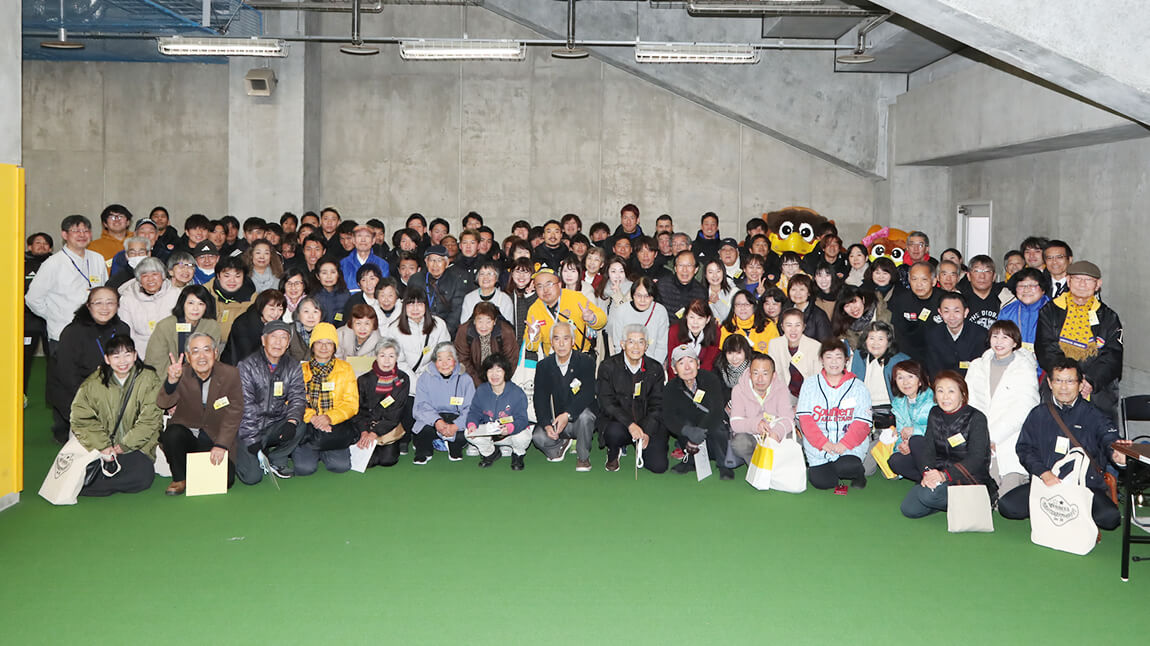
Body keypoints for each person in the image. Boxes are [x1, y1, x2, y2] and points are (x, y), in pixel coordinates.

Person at [997, 358, 1131, 530]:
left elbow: (1109, 438)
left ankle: (1058, 513)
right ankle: (1061, 514)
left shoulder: (1095, 415)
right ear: (1050, 383)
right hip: (1047, 483)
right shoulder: (1039, 414)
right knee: (1008, 506)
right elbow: (1024, 449)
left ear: (1081, 384)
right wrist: (1043, 473)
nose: (1063, 387)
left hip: (1084, 487)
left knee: (1110, 518)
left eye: (1070, 381)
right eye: (1058, 381)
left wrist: (1118, 456)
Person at [69, 334, 161, 497]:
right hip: (102, 447)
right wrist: (103, 446)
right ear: (107, 359)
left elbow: (150, 420)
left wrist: (125, 446)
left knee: (144, 476)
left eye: (127, 354)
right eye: (116, 356)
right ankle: (102, 481)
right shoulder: (93, 383)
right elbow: (81, 418)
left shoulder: (149, 379)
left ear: (135, 355)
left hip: (136, 446)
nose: (122, 361)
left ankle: (94, 484)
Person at [899, 370, 995, 519]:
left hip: (969, 478)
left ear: (963, 394)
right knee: (909, 509)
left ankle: (978, 503)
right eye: (940, 391)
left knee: (927, 496)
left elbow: (976, 459)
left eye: (951, 391)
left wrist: (945, 475)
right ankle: (948, 502)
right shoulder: (935, 413)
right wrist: (928, 473)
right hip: (941, 473)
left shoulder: (976, 418)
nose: (945, 397)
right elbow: (928, 448)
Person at [157, 332, 243, 494]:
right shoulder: (180, 373)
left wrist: (222, 444)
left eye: (206, 350)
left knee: (225, 480)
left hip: (215, 437)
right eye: (195, 351)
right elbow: (163, 403)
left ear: (215, 353)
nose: (201, 356)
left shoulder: (230, 374)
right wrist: (171, 382)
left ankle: (195, 470)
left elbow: (235, 412)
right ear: (188, 356)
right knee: (172, 433)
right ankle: (179, 478)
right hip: (188, 434)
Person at [1035, 261, 1123, 413]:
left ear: (1098, 284)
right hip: (1059, 386)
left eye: (1088, 280)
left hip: (1096, 391)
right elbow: (1046, 348)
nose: (1082, 284)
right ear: (1068, 281)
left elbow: (1113, 355)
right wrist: (1070, 380)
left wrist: (1089, 381)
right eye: (1077, 278)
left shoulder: (1109, 317)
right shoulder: (1049, 311)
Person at [47, 287, 131, 443]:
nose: (104, 308)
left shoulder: (122, 329)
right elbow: (67, 374)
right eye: (98, 303)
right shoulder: (72, 332)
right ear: (88, 306)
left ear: (117, 306)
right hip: (75, 391)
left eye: (110, 303)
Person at [966, 320, 1040, 495]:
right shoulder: (977, 365)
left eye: (1005, 337)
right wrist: (980, 437)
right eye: (995, 336)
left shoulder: (1025, 368)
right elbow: (968, 402)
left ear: (1015, 342)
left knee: (1006, 497)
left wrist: (992, 437)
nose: (999, 342)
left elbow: (1025, 408)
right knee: (981, 494)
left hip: (1011, 438)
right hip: (980, 437)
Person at [235, 321, 306, 483]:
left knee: (300, 425)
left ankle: (277, 458)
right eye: (273, 337)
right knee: (252, 478)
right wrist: (252, 440)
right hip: (248, 428)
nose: (278, 342)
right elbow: (245, 407)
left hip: (274, 423)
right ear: (263, 340)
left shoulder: (293, 365)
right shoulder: (246, 366)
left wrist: (291, 422)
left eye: (283, 338)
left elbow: (298, 397)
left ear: (288, 343)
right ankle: (239, 452)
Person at [796, 341, 872, 490]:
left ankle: (858, 474)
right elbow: (805, 420)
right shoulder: (810, 384)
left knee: (847, 466)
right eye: (829, 357)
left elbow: (862, 423)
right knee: (823, 483)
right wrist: (823, 443)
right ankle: (831, 470)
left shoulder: (858, 386)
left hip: (849, 444)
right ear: (821, 359)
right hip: (819, 445)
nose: (834, 362)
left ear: (846, 360)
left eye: (838, 357)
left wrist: (845, 444)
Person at [27, 214, 108, 348]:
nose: (82, 235)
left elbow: (104, 290)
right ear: (64, 235)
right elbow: (32, 299)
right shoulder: (53, 263)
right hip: (62, 332)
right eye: (76, 231)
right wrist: (54, 315)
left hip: (95, 331)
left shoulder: (97, 258)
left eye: (86, 231)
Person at [596, 325, 667, 474]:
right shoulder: (608, 367)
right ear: (622, 344)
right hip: (620, 423)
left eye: (641, 342)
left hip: (646, 422)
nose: (636, 347)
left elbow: (658, 404)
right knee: (613, 433)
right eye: (631, 342)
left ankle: (640, 443)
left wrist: (647, 431)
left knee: (658, 466)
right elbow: (607, 403)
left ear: (646, 346)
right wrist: (630, 424)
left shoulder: (655, 369)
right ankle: (614, 450)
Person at [291, 323, 359, 476]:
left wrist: (329, 417)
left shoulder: (345, 369)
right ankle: (312, 448)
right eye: (319, 342)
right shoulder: (300, 370)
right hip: (308, 425)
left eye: (329, 343)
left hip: (334, 425)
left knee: (340, 466)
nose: (324, 347)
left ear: (334, 347)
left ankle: (324, 448)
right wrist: (312, 417)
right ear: (312, 346)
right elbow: (292, 401)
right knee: (304, 469)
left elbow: (351, 403)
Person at [532, 322, 598, 472]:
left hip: (578, 418)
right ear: (551, 342)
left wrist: (567, 415)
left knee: (586, 417)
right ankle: (561, 444)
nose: (561, 344)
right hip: (555, 420)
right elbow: (540, 398)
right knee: (538, 437)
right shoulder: (543, 366)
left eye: (566, 338)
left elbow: (588, 393)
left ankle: (583, 457)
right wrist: (546, 424)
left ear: (573, 341)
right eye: (556, 339)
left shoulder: (586, 362)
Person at [664, 345, 733, 479]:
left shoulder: (711, 379)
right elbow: (668, 417)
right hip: (689, 432)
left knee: (719, 426)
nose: (687, 367)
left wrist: (700, 431)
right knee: (684, 424)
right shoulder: (670, 388)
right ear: (674, 369)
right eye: (681, 363)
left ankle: (724, 465)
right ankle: (690, 461)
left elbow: (717, 410)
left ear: (698, 364)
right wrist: (688, 431)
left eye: (691, 361)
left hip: (710, 427)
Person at [412, 342, 476, 464]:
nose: (444, 364)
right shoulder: (425, 378)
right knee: (424, 431)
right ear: (434, 362)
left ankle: (453, 446)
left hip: (455, 417)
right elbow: (420, 406)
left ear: (455, 361)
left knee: (462, 435)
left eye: (448, 359)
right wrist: (437, 421)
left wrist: (456, 425)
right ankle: (424, 451)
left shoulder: (465, 379)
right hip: (433, 417)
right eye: (440, 359)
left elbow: (471, 408)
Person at [465, 354, 532, 471]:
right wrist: (472, 424)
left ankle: (518, 454)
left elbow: (522, 419)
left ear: (505, 372)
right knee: (468, 433)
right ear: (485, 373)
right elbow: (474, 412)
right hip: (490, 432)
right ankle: (490, 453)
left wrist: (510, 428)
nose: (494, 374)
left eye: (498, 370)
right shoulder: (481, 390)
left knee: (524, 436)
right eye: (490, 370)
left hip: (510, 432)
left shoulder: (517, 392)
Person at [353, 339, 411, 469]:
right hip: (366, 424)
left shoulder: (403, 379)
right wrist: (364, 432)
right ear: (376, 356)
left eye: (391, 356)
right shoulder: (364, 380)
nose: (387, 361)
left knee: (388, 460)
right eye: (382, 355)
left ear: (397, 357)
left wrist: (375, 433)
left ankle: (384, 444)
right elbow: (359, 409)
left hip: (388, 425)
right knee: (368, 463)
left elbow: (396, 412)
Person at [728, 354, 795, 466]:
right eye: (755, 373)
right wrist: (756, 425)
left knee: (794, 440)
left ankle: (778, 468)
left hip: (774, 432)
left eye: (765, 374)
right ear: (749, 374)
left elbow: (788, 418)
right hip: (752, 435)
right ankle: (756, 468)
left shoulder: (781, 388)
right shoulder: (738, 390)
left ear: (773, 375)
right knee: (740, 443)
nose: (760, 379)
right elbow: (735, 422)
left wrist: (776, 433)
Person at [524, 269, 606, 356]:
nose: (545, 290)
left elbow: (603, 319)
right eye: (540, 286)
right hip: (553, 359)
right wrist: (534, 336)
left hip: (581, 355)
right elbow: (530, 347)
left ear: (559, 285)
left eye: (549, 284)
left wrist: (592, 318)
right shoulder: (534, 309)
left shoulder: (576, 298)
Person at [144, 284, 222, 375]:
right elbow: (155, 361)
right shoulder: (165, 326)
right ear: (182, 304)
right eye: (191, 303)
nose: (195, 308)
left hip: (200, 376)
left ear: (206, 307)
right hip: (166, 375)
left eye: (201, 304)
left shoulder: (212, 326)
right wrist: (173, 378)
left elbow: (212, 359)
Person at [848, 321, 909, 431]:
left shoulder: (901, 361)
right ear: (865, 340)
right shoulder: (858, 357)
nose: (875, 343)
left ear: (888, 341)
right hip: (863, 410)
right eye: (871, 338)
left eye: (881, 339)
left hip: (891, 411)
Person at [116, 257, 179, 358]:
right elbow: (127, 332)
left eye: (155, 274)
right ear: (139, 280)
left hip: (172, 350)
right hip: (141, 352)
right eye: (145, 275)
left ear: (163, 276)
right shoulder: (127, 299)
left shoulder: (176, 294)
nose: (150, 279)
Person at [887, 360, 934, 480]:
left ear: (920, 380)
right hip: (915, 450)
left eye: (910, 376)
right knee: (895, 461)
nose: (905, 382)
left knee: (916, 441)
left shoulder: (932, 399)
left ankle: (934, 479)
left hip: (934, 448)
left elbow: (940, 429)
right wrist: (901, 447)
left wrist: (915, 430)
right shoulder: (898, 403)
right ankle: (927, 479)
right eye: (900, 377)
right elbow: (901, 432)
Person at [888, 262, 943, 363]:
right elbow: (899, 334)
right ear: (909, 280)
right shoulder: (901, 300)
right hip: (909, 355)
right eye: (914, 279)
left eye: (924, 279)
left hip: (939, 355)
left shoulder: (945, 300)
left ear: (934, 281)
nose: (919, 284)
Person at [924, 292, 988, 377]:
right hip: (944, 382)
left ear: (965, 312)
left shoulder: (980, 335)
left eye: (956, 311)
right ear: (940, 312)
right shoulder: (933, 335)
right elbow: (934, 369)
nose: (951, 317)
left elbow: (982, 369)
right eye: (946, 311)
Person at [407, 245, 468, 335]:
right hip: (419, 329)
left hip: (445, 329)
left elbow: (456, 312)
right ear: (426, 262)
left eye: (439, 260)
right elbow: (409, 306)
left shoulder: (456, 281)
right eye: (432, 260)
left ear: (447, 263)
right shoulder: (415, 280)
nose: (435, 265)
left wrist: (444, 332)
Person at [606, 277, 668, 364]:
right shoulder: (622, 311)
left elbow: (662, 346)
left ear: (653, 297)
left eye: (647, 296)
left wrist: (654, 367)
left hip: (652, 362)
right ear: (633, 295)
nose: (642, 300)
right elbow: (618, 344)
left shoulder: (660, 311)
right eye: (638, 295)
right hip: (626, 363)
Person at [454, 301, 517, 386]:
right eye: (480, 321)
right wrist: (480, 385)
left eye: (488, 321)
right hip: (472, 379)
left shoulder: (506, 332)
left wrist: (498, 382)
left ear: (494, 321)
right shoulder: (464, 331)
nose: (484, 326)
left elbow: (511, 360)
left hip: (500, 378)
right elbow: (462, 360)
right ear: (474, 321)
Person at [767, 308, 821, 404]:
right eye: (789, 325)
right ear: (782, 327)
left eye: (797, 325)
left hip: (810, 394)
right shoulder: (775, 344)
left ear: (803, 327)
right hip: (785, 392)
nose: (793, 330)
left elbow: (817, 378)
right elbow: (775, 375)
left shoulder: (815, 346)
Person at [221, 290, 286, 366]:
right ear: (261, 307)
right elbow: (246, 356)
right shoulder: (243, 324)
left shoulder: (277, 321)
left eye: (280, 309)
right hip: (236, 365)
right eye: (272, 309)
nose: (276, 313)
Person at [997, 267, 1049, 353]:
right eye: (1021, 286)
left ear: (1043, 289)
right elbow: (999, 341)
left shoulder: (1055, 310)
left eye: (1032, 286)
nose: (1026, 290)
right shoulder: (1007, 312)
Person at [666, 299, 720, 379]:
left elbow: (709, 363)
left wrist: (696, 382)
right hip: (678, 377)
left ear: (707, 319)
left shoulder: (715, 332)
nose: (695, 322)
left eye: (700, 318)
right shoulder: (674, 331)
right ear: (686, 316)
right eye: (692, 317)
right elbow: (673, 362)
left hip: (703, 376)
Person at [959, 255, 1014, 331]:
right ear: (968, 276)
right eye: (977, 271)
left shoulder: (1006, 298)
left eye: (987, 271)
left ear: (994, 276)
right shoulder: (959, 298)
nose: (982, 276)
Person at [210, 256, 256, 343]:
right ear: (218, 276)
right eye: (227, 276)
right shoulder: (206, 293)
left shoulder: (253, 298)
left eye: (237, 276)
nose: (232, 281)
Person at [830, 286, 891, 352]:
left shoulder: (881, 312)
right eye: (847, 306)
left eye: (855, 302)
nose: (853, 308)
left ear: (863, 300)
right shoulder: (846, 331)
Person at [719, 289, 778, 354]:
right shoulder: (726, 328)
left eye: (747, 304)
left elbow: (776, 352)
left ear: (754, 307)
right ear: (733, 308)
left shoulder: (767, 325)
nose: (742, 308)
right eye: (738, 304)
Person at [656, 251, 708, 319]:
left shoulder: (701, 293)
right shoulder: (662, 286)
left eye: (689, 265)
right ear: (675, 268)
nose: (684, 270)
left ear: (696, 269)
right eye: (680, 265)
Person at [460, 259, 514, 324]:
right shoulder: (469, 298)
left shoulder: (505, 299)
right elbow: (464, 325)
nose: (485, 277)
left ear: (496, 278)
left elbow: (507, 327)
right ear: (477, 278)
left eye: (490, 274)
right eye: (482, 274)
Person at [339, 223, 390, 291]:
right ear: (353, 240)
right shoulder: (343, 264)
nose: (363, 240)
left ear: (373, 240)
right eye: (359, 236)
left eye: (367, 236)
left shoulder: (383, 264)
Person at [786, 274, 831, 342]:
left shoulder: (819, 315)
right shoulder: (785, 312)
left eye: (802, 289)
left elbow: (826, 342)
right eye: (793, 289)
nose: (797, 293)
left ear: (809, 292)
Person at [715, 334, 753, 404]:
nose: (734, 358)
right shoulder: (718, 369)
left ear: (746, 352)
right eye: (730, 353)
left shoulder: (754, 369)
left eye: (738, 353)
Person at [313, 259, 351, 327]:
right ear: (317, 276)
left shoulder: (345, 294)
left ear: (338, 274)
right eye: (324, 273)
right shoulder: (313, 296)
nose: (329, 276)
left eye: (333, 272)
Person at [703, 258, 735, 322]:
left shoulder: (734, 292)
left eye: (718, 271)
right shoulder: (701, 293)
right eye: (710, 272)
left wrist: (717, 302)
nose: (715, 275)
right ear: (705, 275)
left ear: (723, 273)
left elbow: (732, 317)